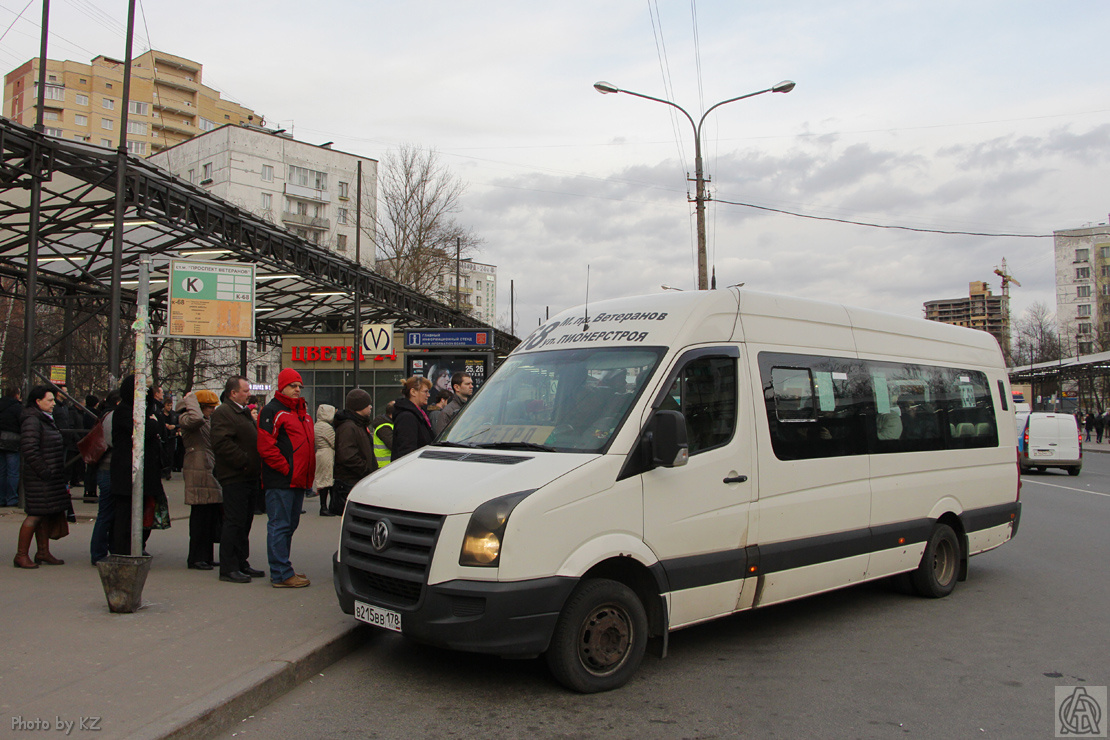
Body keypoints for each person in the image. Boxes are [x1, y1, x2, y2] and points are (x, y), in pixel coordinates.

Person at [257, 369, 315, 588]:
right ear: (282, 387)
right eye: (293, 386)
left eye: (299, 386)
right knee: (280, 525)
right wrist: (286, 469)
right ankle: (281, 573)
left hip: (297, 480)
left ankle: (283, 568)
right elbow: (266, 446)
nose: (297, 390)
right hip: (282, 480)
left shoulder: (302, 413)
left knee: (289, 525)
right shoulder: (272, 411)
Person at [212, 376, 264, 584]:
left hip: (248, 475)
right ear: (233, 393)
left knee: (245, 521)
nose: (248, 393)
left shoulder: (241, 412)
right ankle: (228, 566)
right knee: (234, 522)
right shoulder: (224, 413)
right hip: (235, 476)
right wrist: (244, 461)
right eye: (245, 390)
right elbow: (222, 443)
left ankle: (242, 562)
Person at [109, 377, 166, 557]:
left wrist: (154, 422)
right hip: (128, 473)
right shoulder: (123, 411)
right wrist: (153, 422)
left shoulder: (147, 409)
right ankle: (122, 551)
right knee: (125, 515)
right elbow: (145, 429)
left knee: (145, 512)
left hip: (145, 472)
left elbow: (159, 428)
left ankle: (136, 546)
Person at [13, 386, 68, 568]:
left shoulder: (43, 419)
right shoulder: (32, 420)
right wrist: (45, 471)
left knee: (44, 514)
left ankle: (43, 552)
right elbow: (30, 449)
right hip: (39, 477)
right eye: (50, 400)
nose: (54, 403)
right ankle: (21, 555)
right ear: (38, 401)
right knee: (35, 514)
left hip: (47, 476)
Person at [178, 390, 223, 570]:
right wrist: (190, 399)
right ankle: (196, 557)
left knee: (210, 516)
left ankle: (206, 556)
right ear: (200, 406)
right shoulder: (188, 418)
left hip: (207, 467)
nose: (212, 410)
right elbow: (195, 419)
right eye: (210, 407)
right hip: (197, 468)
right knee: (199, 517)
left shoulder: (206, 420)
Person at [331, 389, 376, 515]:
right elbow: (348, 456)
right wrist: (366, 470)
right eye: (368, 404)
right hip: (350, 484)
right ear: (360, 406)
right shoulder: (349, 427)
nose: (370, 406)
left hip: (356, 482)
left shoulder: (357, 425)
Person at [89, 390, 119, 565]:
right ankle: (98, 553)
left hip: (107, 467)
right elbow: (112, 441)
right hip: (107, 468)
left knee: (109, 512)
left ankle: (104, 550)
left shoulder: (106, 414)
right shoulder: (111, 416)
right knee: (106, 513)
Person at [392, 376, 434, 461]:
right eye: (425, 392)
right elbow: (407, 451)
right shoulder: (407, 417)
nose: (428, 395)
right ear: (413, 392)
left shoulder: (419, 414)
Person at [0, 386, 23, 507]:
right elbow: (22, 423)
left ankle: (1, 498)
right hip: (13, 441)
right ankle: (12, 498)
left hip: (0, 440)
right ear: (16, 395)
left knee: (2, 471)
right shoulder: (17, 408)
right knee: (13, 472)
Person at [433, 372, 474, 436]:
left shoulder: (473, 406)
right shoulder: (447, 412)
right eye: (467, 384)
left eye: (471, 383)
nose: (471, 386)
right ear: (457, 387)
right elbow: (442, 437)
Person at [313, 404, 337, 517]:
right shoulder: (326, 427)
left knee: (323, 480)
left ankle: (324, 506)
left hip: (320, 453)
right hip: (327, 454)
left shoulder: (317, 425)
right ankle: (325, 507)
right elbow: (334, 442)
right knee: (327, 480)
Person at [80, 395, 101, 502]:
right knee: (92, 469)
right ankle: (91, 492)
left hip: (89, 441)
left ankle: (88, 491)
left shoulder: (84, 412)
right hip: (94, 442)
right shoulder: (93, 414)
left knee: (90, 469)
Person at [370, 401, 396, 470]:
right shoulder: (384, 427)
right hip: (384, 466)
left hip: (388, 465)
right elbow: (394, 445)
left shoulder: (390, 425)